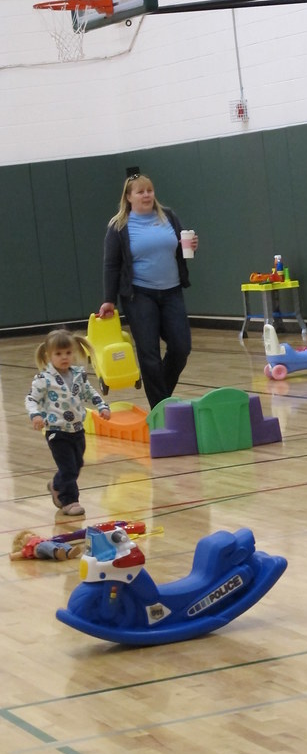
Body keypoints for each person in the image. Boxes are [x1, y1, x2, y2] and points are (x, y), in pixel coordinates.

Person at [98, 173, 198, 410]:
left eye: (149, 190)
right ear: (129, 197)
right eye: (140, 192)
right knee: (149, 354)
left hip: (172, 291)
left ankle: (161, 397)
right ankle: (161, 409)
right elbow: (111, 265)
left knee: (181, 348)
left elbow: (182, 247)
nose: (146, 195)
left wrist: (192, 245)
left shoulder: (169, 217)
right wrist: (109, 300)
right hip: (139, 295)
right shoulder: (119, 226)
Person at [25, 328, 111, 518]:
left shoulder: (79, 375)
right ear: (48, 355)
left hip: (77, 429)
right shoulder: (43, 379)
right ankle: (69, 500)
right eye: (58, 354)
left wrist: (102, 406)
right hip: (57, 431)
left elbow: (90, 393)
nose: (64, 357)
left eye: (68, 353)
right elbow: (31, 399)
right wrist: (36, 415)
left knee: (77, 463)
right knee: (68, 468)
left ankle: (56, 484)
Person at [11, 529, 85, 561]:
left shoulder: (44, 540)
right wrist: (13, 556)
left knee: (59, 544)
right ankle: (57, 553)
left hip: (49, 545)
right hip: (40, 550)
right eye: (30, 535)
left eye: (33, 534)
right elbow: (22, 553)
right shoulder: (30, 547)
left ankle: (69, 551)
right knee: (45, 545)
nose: (33, 535)